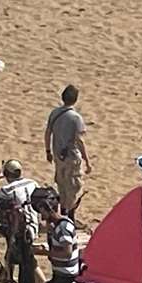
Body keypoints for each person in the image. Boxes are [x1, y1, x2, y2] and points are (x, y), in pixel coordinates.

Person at [45, 85, 91, 218]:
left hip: (58, 155)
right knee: (74, 187)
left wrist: (48, 150)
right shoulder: (76, 118)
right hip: (71, 156)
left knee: (62, 184)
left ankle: (64, 212)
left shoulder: (54, 113)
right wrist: (87, 160)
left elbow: (48, 133)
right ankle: (69, 215)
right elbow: (79, 141)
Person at [39, 191, 80, 283]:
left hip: (65, 273)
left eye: (41, 211)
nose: (40, 215)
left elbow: (67, 253)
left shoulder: (62, 228)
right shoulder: (59, 224)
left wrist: (46, 254)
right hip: (64, 272)